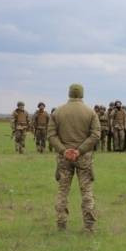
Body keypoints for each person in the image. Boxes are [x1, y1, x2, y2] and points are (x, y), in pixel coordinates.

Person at [47, 84, 101, 231]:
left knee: (62, 191)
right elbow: (96, 135)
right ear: (82, 94)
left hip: (64, 158)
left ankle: (61, 224)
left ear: (69, 93)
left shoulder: (57, 112)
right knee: (87, 191)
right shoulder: (90, 112)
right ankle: (89, 226)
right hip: (84, 158)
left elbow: (51, 135)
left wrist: (64, 150)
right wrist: (80, 150)